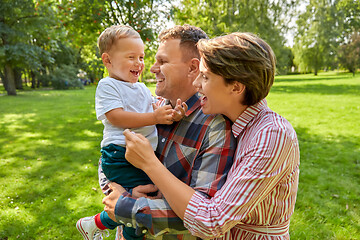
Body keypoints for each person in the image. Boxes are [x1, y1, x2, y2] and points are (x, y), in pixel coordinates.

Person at [105, 32, 300, 239]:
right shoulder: (170, 110)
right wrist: (121, 188)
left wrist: (147, 168)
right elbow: (112, 148)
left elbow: (212, 219)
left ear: (236, 87)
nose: (196, 83)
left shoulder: (270, 135)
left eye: (205, 76)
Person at [99, 24, 237, 239]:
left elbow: (204, 215)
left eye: (161, 61)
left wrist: (128, 205)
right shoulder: (153, 107)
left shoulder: (214, 127)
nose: (151, 68)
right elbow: (110, 152)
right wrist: (118, 190)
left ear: (193, 68)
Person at [76, 25, 186, 240]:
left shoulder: (143, 88)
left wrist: (174, 115)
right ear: (107, 60)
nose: (139, 63)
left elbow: (157, 111)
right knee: (137, 203)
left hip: (140, 155)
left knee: (139, 199)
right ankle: (123, 233)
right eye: (131, 57)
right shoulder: (108, 86)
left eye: (142, 57)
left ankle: (95, 224)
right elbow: (116, 116)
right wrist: (154, 118)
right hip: (119, 155)